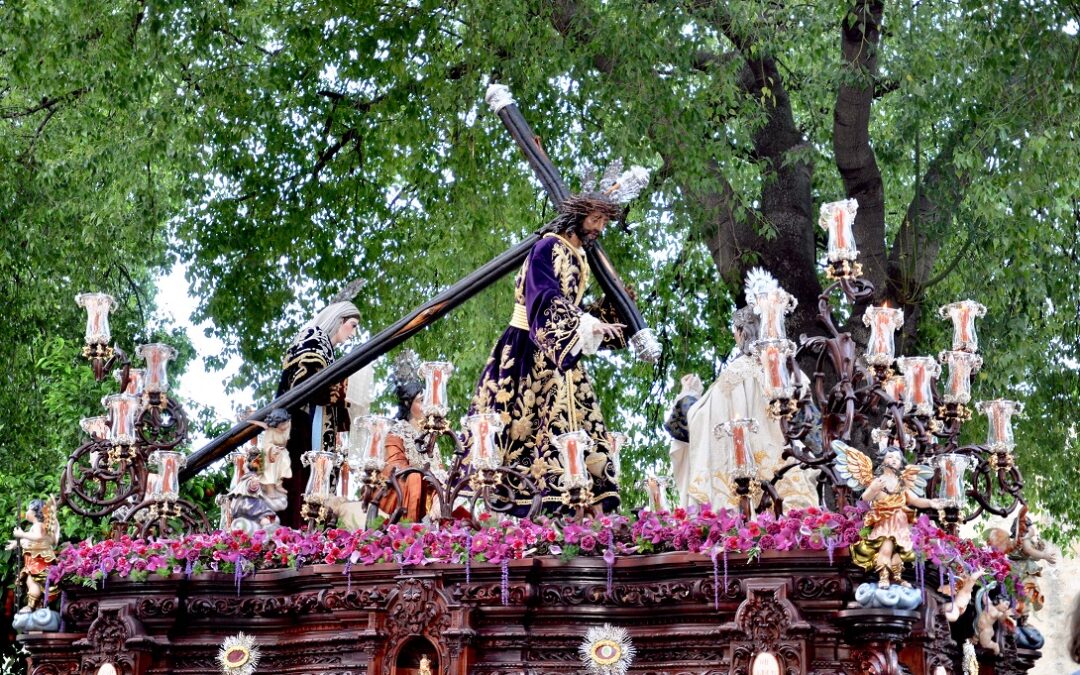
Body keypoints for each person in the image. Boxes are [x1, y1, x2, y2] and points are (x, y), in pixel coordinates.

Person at [466, 189, 630, 515]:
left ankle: (584, 513)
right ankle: (536, 515)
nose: (599, 227)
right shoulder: (548, 246)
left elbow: (573, 309)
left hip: (558, 353)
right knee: (531, 431)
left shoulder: (578, 254)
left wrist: (612, 311)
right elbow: (541, 296)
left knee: (580, 431)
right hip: (529, 348)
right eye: (595, 219)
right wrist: (584, 322)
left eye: (603, 221)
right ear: (577, 216)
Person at [666, 304, 819, 512]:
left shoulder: (735, 373)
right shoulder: (789, 372)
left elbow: (699, 420)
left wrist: (688, 395)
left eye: (735, 331)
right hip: (788, 471)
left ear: (741, 333)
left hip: (744, 482)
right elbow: (812, 425)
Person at [275, 301, 360, 528]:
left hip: (313, 432)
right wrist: (333, 392)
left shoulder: (328, 350)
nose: (354, 333)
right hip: (299, 430)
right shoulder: (314, 338)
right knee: (297, 490)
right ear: (339, 320)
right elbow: (303, 382)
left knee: (311, 493)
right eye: (352, 325)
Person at [834, 442, 944, 588]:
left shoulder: (902, 483)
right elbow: (866, 497)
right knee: (886, 547)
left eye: (897, 459)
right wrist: (873, 488)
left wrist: (931, 503)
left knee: (898, 552)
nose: (893, 460)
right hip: (883, 521)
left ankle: (897, 578)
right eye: (890, 457)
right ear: (882, 460)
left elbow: (915, 500)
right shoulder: (877, 480)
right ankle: (883, 577)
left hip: (900, 522)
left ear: (901, 463)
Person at [378, 350, 445, 521]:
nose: (425, 406)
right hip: (407, 491)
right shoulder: (396, 432)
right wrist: (425, 477)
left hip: (432, 492)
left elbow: (440, 469)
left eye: (426, 400)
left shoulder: (430, 435)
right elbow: (393, 467)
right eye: (420, 400)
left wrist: (441, 485)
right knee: (414, 477)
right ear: (408, 403)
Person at [6, 498, 60, 613]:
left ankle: (31, 606)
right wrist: (16, 543)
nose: (26, 512)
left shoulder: (38, 526)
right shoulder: (35, 526)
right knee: (31, 583)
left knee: (32, 582)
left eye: (28, 510)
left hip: (37, 562)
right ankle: (37, 606)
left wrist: (21, 534)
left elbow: (38, 537)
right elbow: (29, 540)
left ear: (34, 512)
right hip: (33, 561)